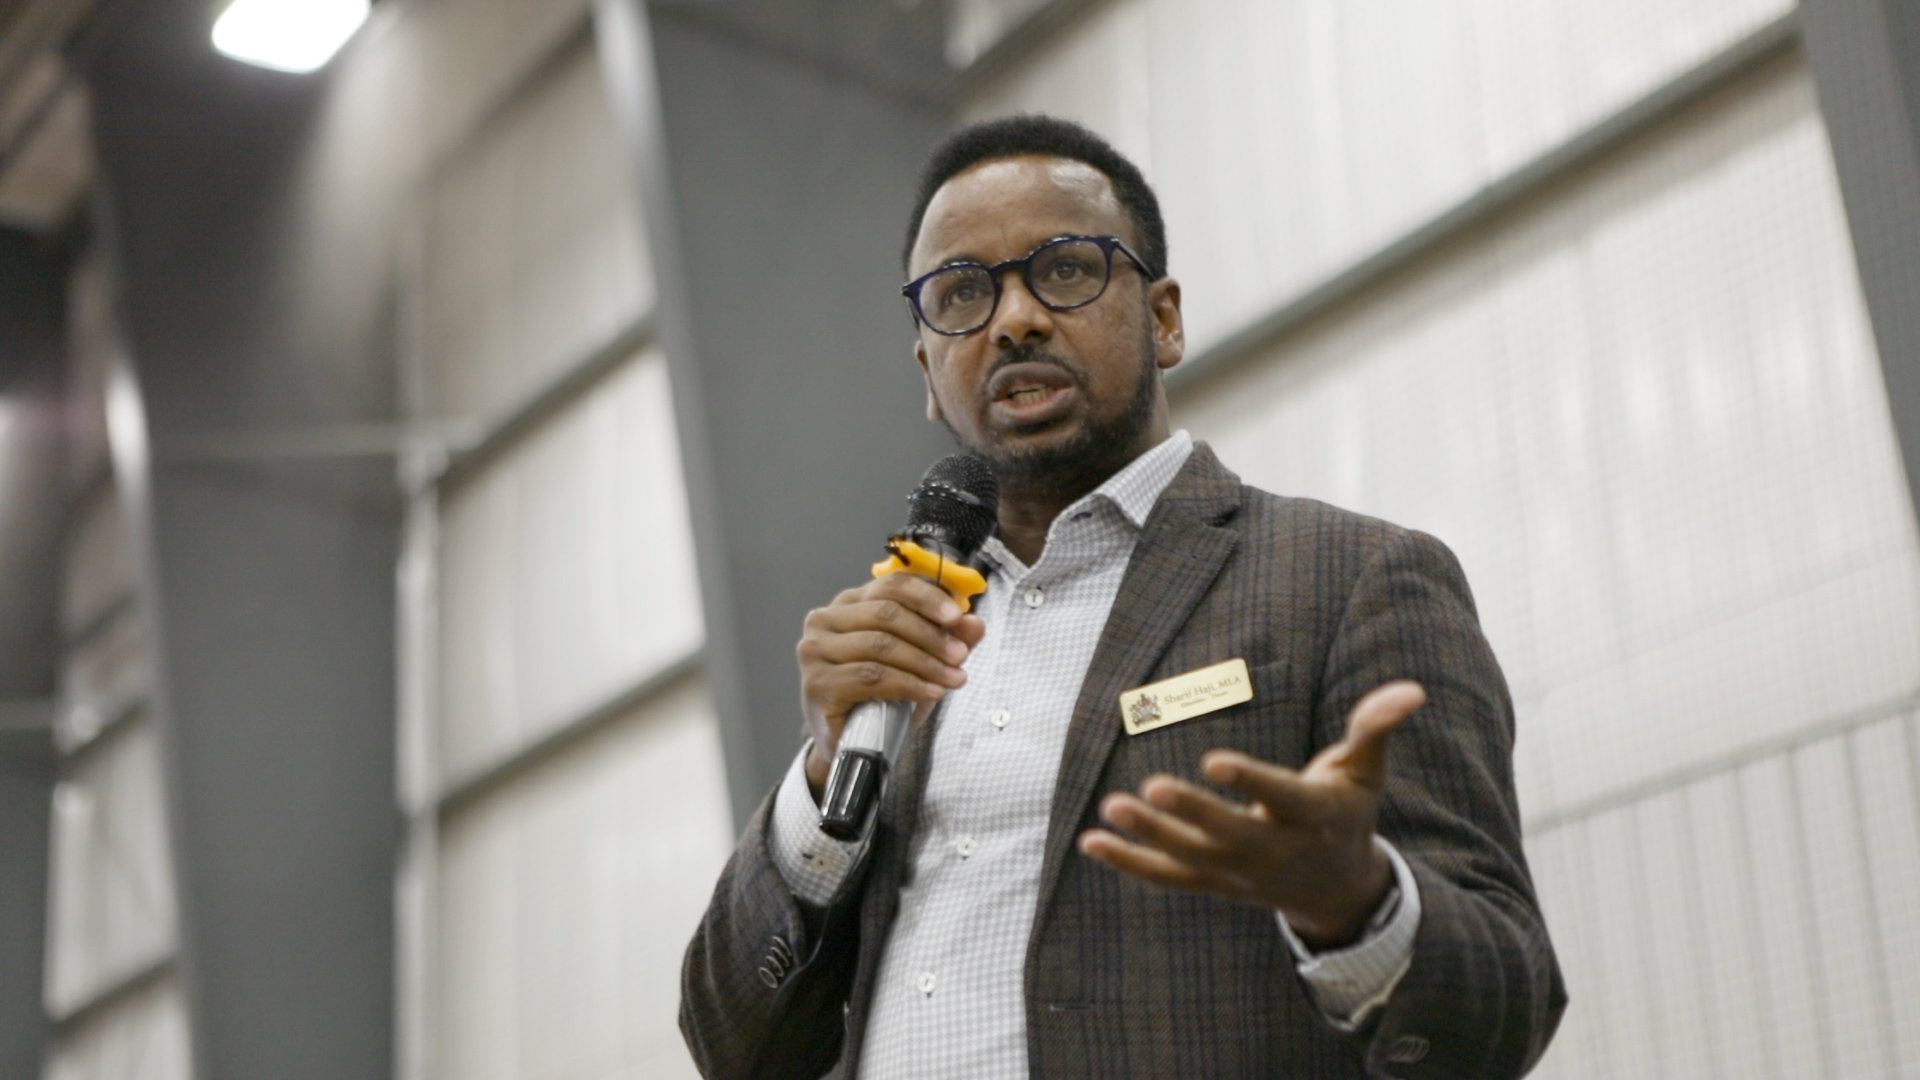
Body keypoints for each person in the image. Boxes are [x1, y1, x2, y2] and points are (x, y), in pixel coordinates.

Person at [680, 114, 1565, 1080]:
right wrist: (820, 780)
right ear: (929, 374)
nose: (1013, 319)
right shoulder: (899, 644)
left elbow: (1503, 1014)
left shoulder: (1352, 579)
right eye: (962, 294)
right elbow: (737, 1050)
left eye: (1064, 269)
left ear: (1164, 318)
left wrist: (1355, 901)